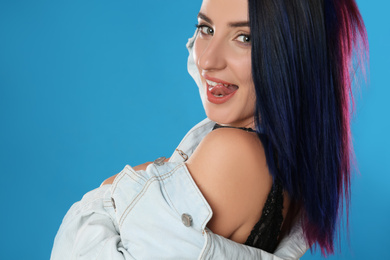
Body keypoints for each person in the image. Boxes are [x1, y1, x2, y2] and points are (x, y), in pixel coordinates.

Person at [51, 0, 368, 259]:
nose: (206, 60)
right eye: (205, 29)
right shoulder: (287, 160)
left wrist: (107, 193)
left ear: (295, 53)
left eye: (245, 37)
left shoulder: (233, 152)